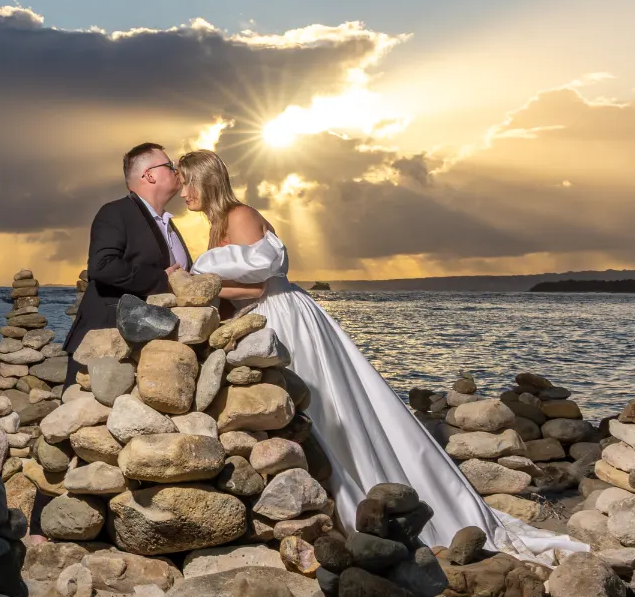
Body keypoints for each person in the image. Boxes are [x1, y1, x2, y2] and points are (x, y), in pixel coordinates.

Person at [173, 148, 584, 564]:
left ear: (206, 180)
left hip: (284, 319)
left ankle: (375, 500)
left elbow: (258, 286)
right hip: (263, 321)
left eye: (186, 182)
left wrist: (193, 283)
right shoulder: (216, 226)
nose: (182, 191)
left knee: (329, 410)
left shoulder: (240, 215)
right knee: (315, 413)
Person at [62, 141, 195, 363]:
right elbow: (102, 267)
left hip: (151, 349)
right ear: (149, 175)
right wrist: (162, 280)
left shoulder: (168, 224)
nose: (177, 171)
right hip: (108, 343)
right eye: (170, 165)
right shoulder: (116, 212)